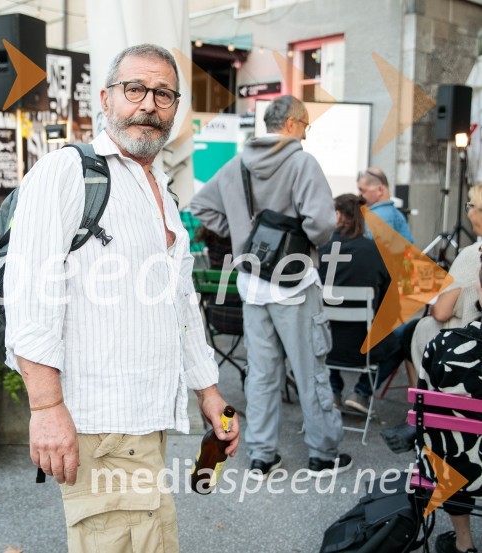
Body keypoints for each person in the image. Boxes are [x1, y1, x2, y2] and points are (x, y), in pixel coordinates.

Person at [3, 44, 240, 552]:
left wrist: (208, 391)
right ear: (107, 98)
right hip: (98, 423)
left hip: (144, 422)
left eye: (163, 94)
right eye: (135, 89)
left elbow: (179, 305)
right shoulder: (66, 172)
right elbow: (29, 298)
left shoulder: (158, 186)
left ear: (175, 108)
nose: (148, 105)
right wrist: (45, 407)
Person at [190, 94, 350, 481]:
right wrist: (303, 240)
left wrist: (245, 237)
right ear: (293, 123)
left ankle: (262, 456)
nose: (307, 135)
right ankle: (322, 456)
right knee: (310, 368)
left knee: (261, 373)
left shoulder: (237, 163)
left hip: (252, 283)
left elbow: (201, 206)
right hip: (295, 282)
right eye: (307, 127)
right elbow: (323, 223)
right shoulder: (301, 161)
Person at [417, 258, 482, 553]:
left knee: (450, 442)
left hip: (456, 471)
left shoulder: (444, 344)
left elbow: (423, 415)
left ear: (479, 287)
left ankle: (463, 542)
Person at [318, 194, 404, 413]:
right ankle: (362, 391)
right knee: (400, 342)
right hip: (365, 346)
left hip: (322, 344)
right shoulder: (375, 252)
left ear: (337, 215)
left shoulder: (317, 250)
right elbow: (391, 306)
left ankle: (333, 388)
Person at [403, 184, 482, 374]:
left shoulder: (473, 254)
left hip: (467, 347)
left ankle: (422, 400)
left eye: (470, 206)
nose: (469, 213)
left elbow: (442, 312)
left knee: (411, 331)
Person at [357, 167, 413, 243]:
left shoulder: (376, 217)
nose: (359, 195)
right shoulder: (397, 214)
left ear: (380, 189)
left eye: (362, 190)